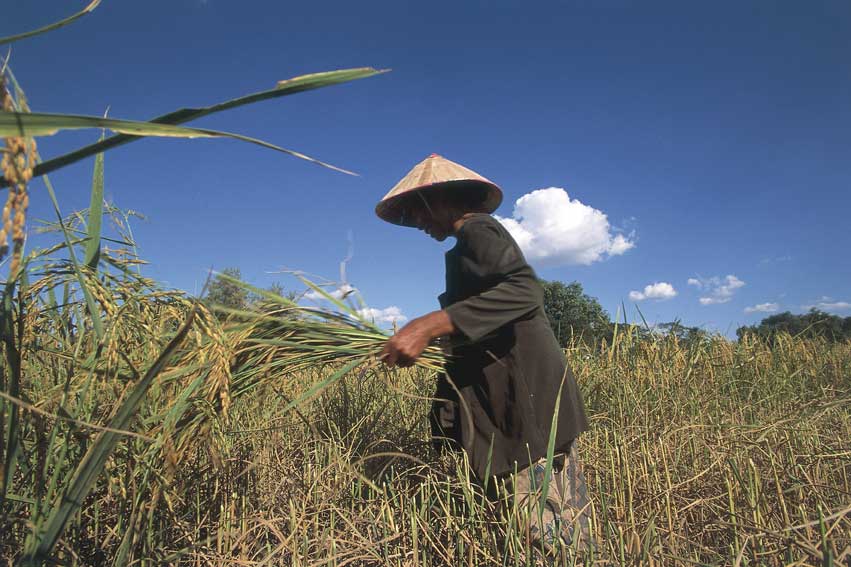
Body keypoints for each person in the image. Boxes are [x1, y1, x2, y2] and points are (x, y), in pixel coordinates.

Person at [376, 154, 592, 557]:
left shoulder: (478, 230)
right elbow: (479, 330)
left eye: (416, 212)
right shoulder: (465, 248)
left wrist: (426, 326)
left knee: (544, 532)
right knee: (563, 526)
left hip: (524, 408)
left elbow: (524, 291)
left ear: (439, 199)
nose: (417, 223)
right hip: (527, 407)